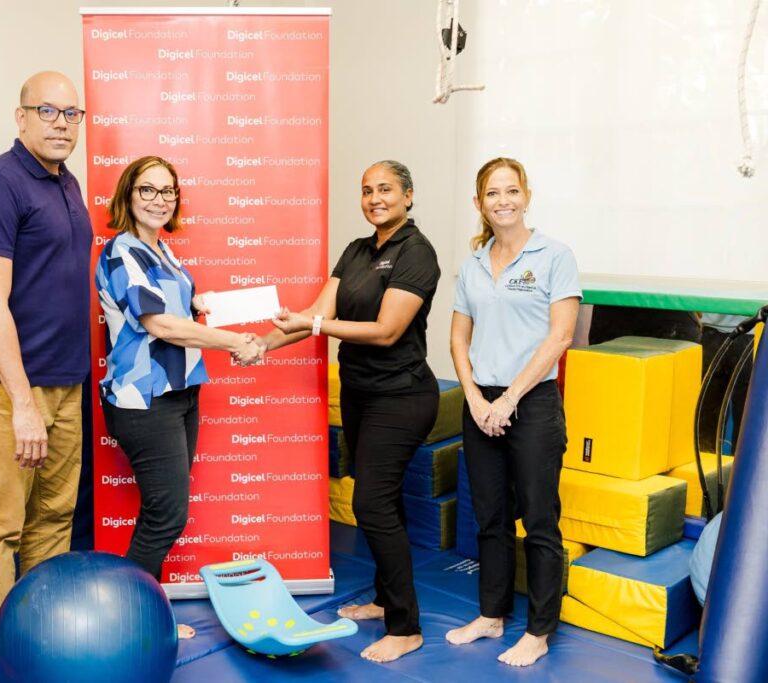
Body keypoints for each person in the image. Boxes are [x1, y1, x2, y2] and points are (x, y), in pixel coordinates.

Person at [261, 160, 440, 663]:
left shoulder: (417, 253)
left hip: (403, 397)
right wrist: (261, 344)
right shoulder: (359, 250)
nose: (374, 198)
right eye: (366, 191)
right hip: (362, 394)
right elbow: (317, 312)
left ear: (408, 195)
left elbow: (385, 331)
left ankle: (407, 627)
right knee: (384, 500)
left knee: (372, 506)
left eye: (385, 189)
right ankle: (386, 600)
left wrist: (313, 325)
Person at [0, 71, 91, 683]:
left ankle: (40, 636)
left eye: (72, 113)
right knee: (4, 525)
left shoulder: (68, 184)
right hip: (12, 386)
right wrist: (21, 404)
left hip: (66, 380)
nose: (62, 123)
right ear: (21, 118)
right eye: (48, 111)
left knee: (55, 518)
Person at [96, 155, 262, 640]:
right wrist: (235, 343)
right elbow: (159, 324)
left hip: (181, 392)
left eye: (167, 191)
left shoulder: (162, 250)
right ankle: (133, 618)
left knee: (161, 511)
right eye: (147, 190)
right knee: (167, 514)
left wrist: (198, 301)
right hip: (144, 399)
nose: (158, 200)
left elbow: (176, 305)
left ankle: (143, 606)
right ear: (128, 195)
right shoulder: (122, 251)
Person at [445, 157, 580, 667]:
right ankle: (491, 614)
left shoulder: (554, 255)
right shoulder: (475, 261)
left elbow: (560, 336)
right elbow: (459, 336)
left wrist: (508, 399)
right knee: (490, 518)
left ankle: (540, 629)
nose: (502, 201)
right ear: (478, 203)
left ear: (526, 195)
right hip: (482, 403)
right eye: (491, 193)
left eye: (511, 191)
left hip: (533, 403)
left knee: (540, 521)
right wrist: (476, 397)